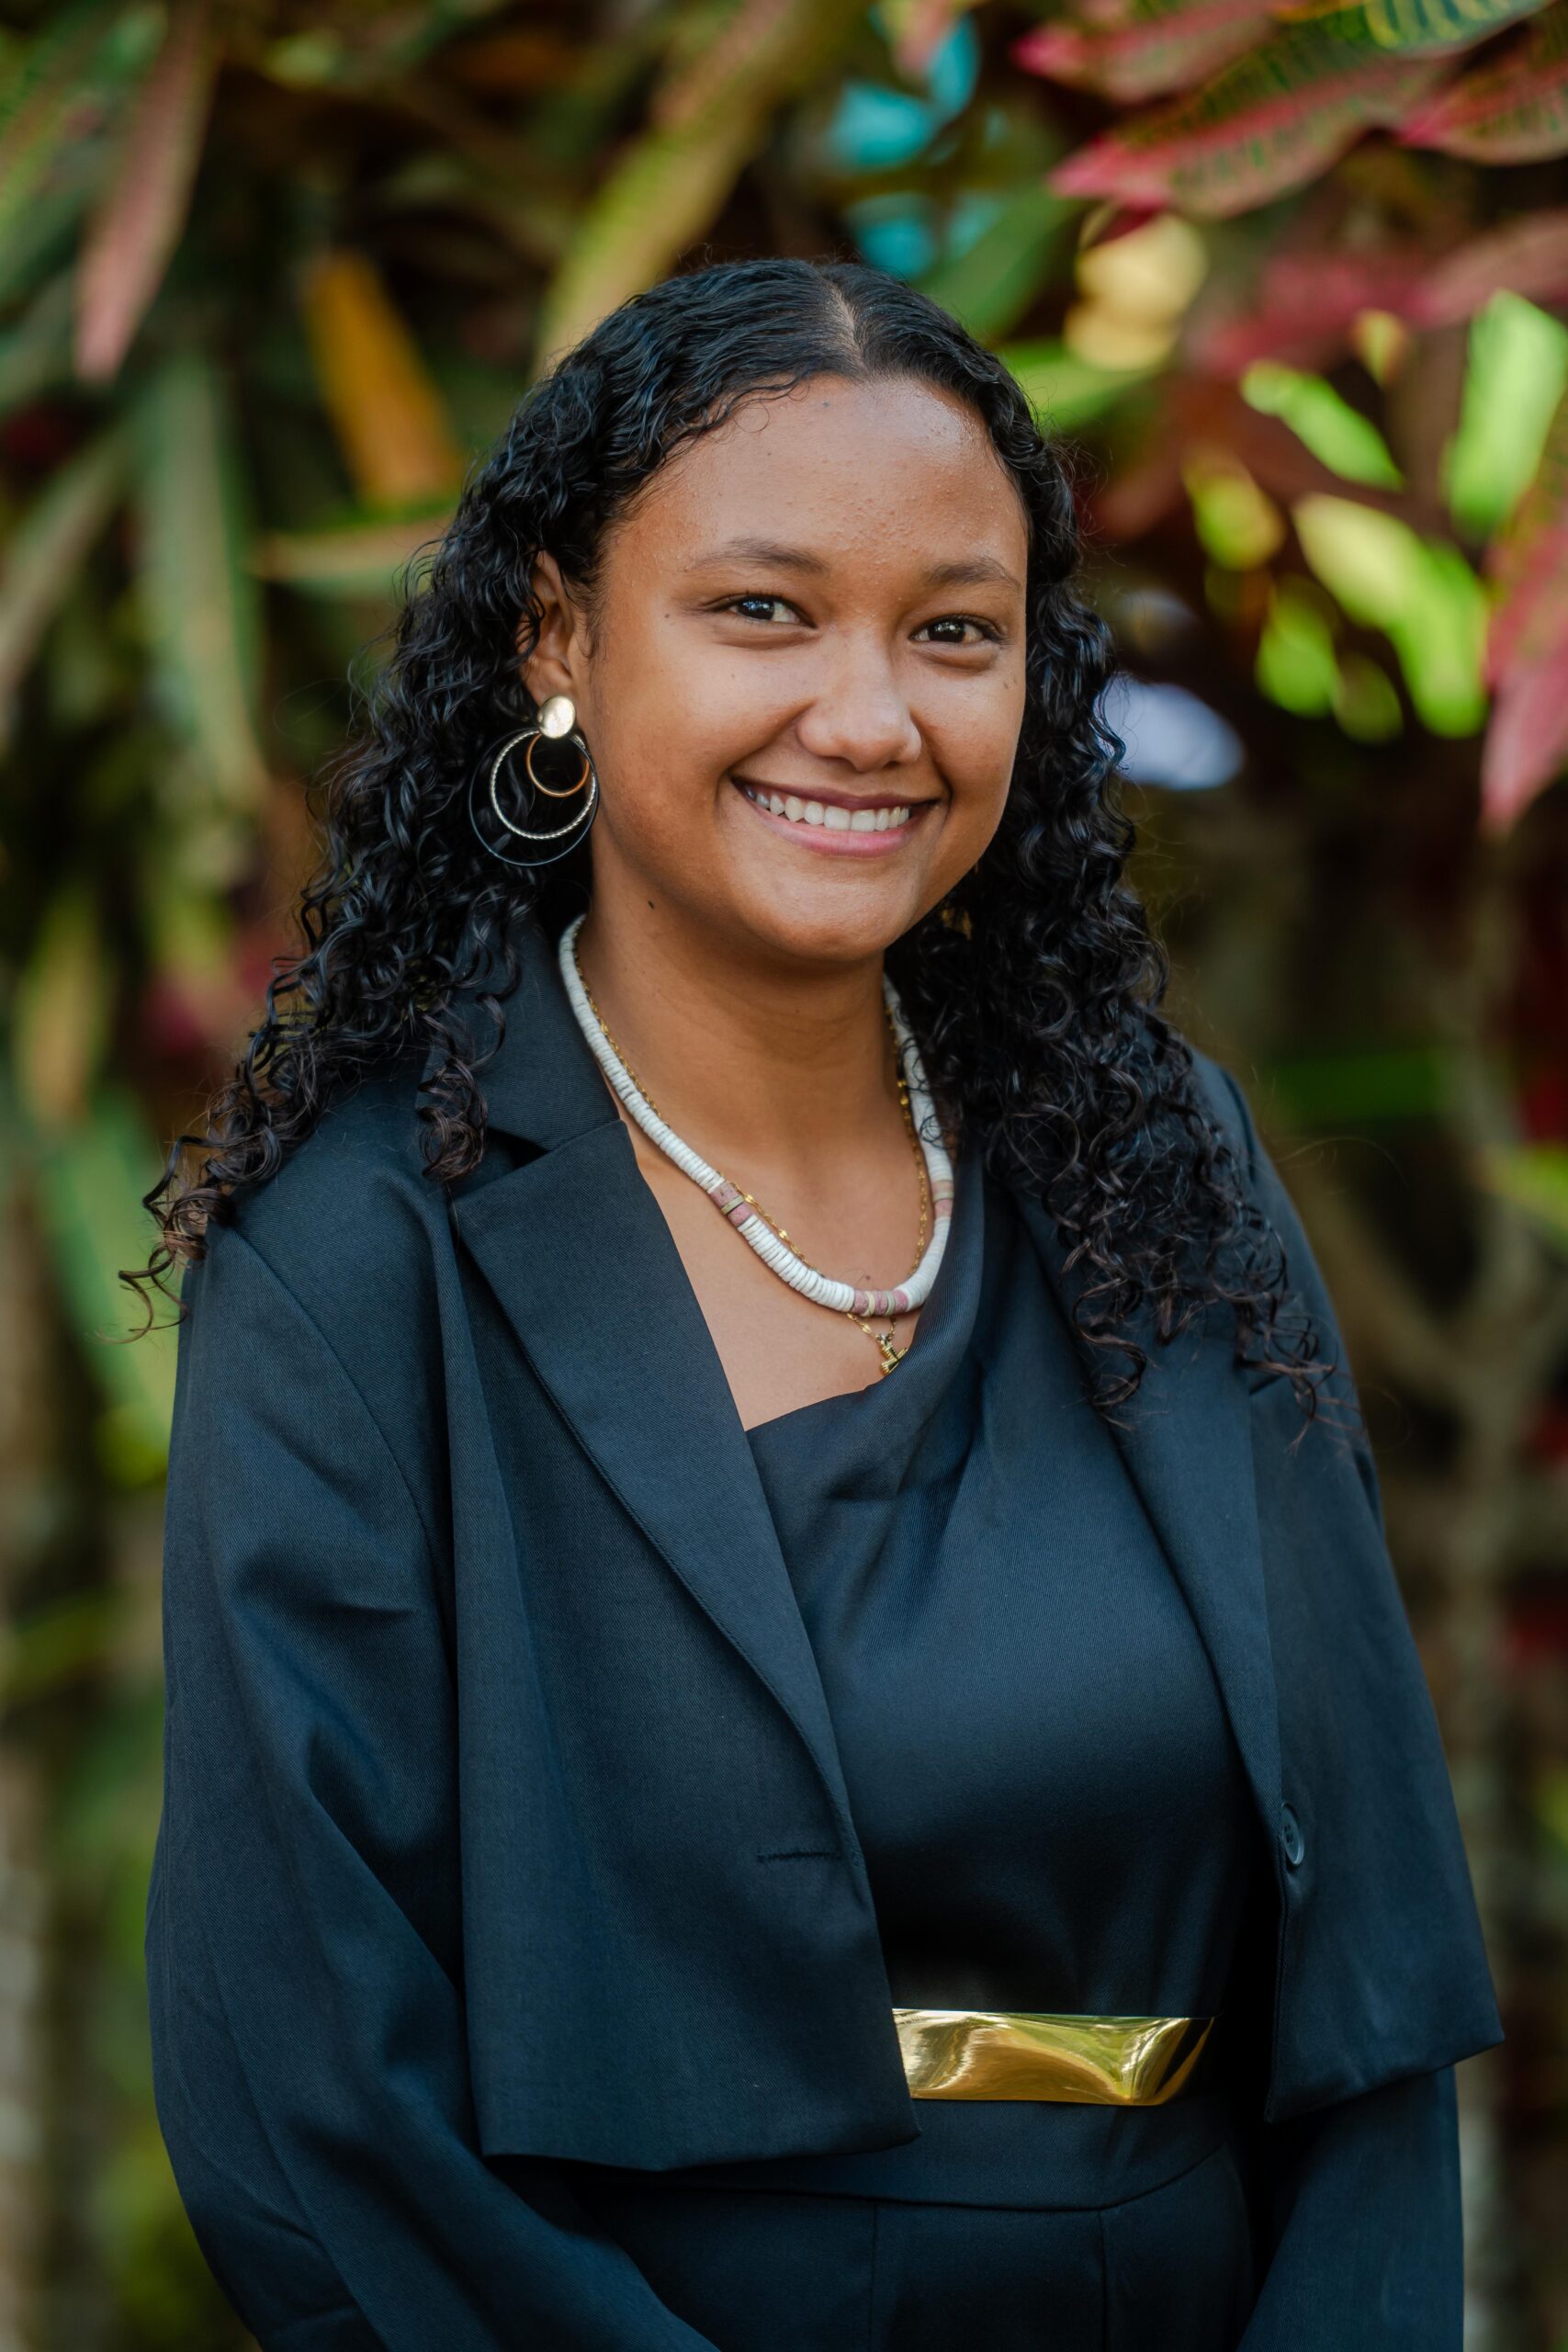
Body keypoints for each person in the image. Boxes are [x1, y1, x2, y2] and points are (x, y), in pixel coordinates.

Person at [141, 257, 1501, 2351]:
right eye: (764, 610)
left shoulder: (1154, 1166)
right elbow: (314, 2095)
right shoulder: (363, 1258)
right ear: (558, 636)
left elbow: (1363, 1963)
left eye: (952, 631)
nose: (870, 718)